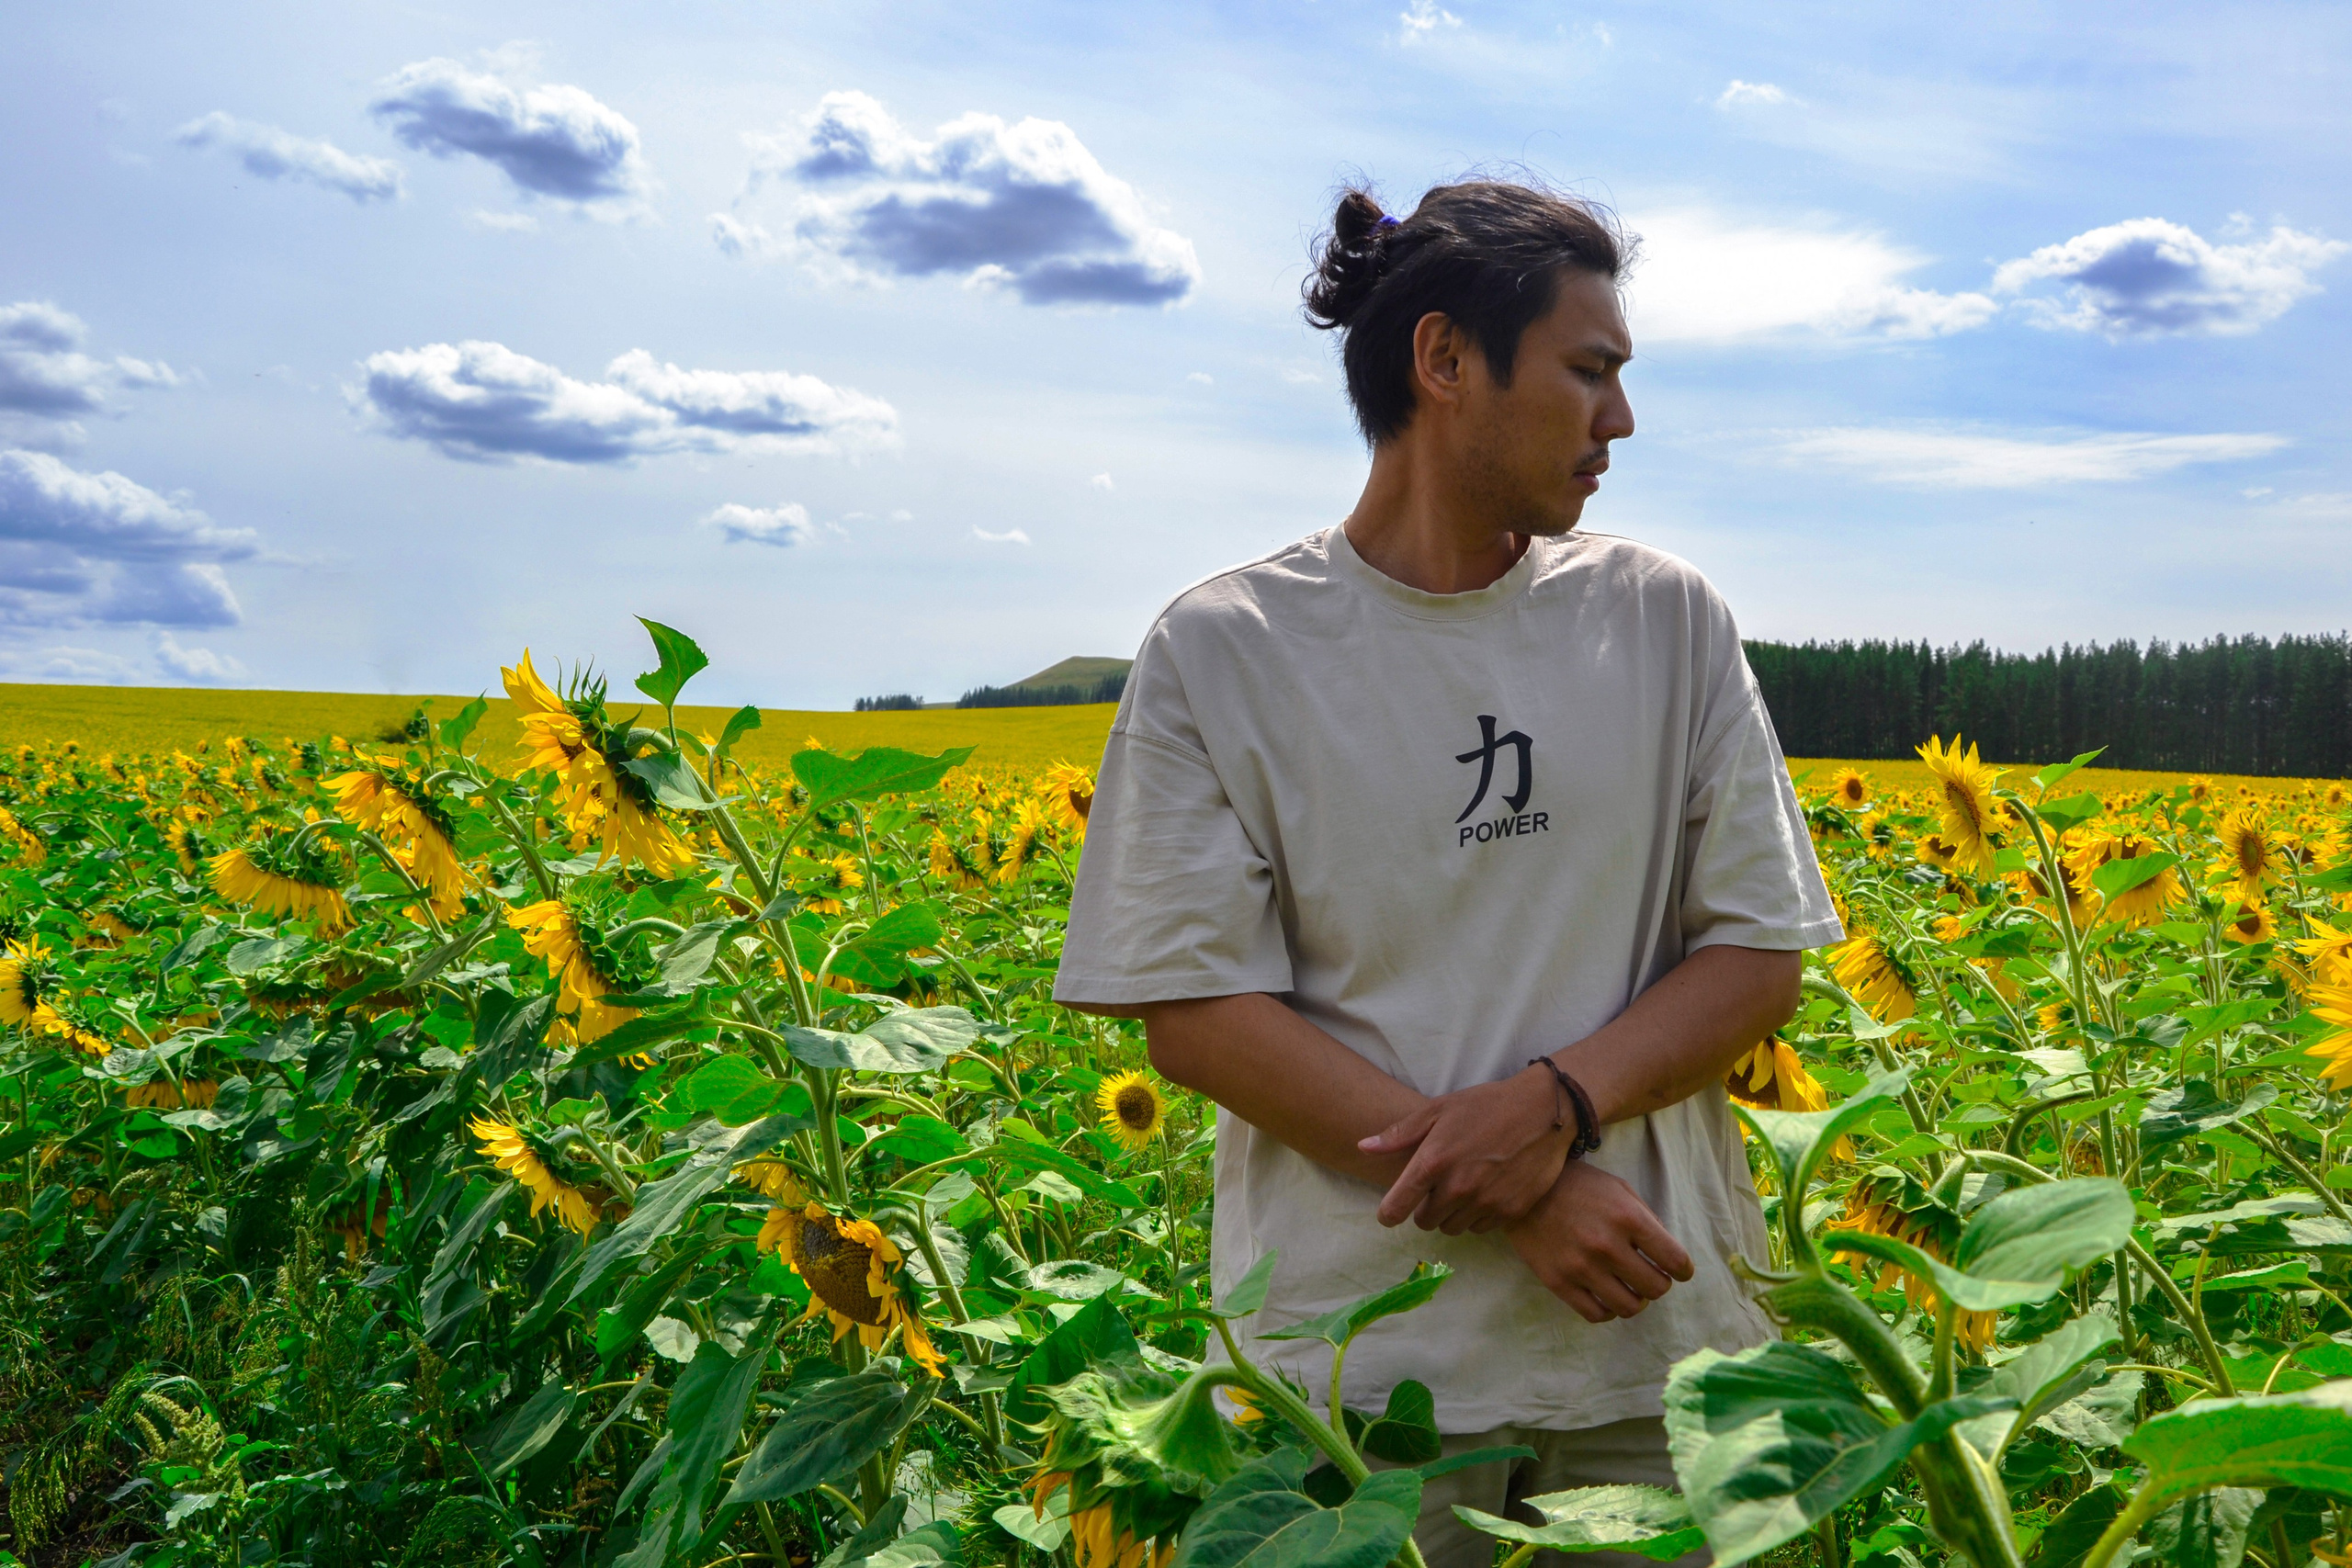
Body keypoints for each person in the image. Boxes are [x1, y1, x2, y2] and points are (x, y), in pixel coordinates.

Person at [1052, 177, 1843, 1568]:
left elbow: (1759, 950)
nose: (1622, 421)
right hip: (1371, 1390)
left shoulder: (1662, 619)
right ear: (1443, 359)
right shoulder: (1227, 649)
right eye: (1589, 372)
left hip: (1660, 1361)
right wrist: (1525, 1185)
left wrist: (1558, 1105)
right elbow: (1197, 1014)